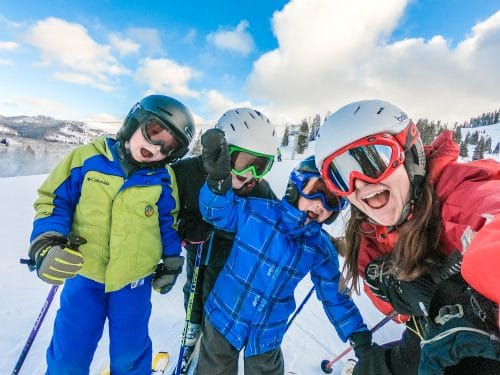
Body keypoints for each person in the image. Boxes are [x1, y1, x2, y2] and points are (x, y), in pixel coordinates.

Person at [314, 99, 500, 375]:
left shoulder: (457, 194)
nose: (359, 182)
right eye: (340, 176)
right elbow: (395, 310)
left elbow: (489, 217)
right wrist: (402, 295)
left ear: (410, 154)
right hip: (428, 338)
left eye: (373, 160)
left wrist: (477, 308)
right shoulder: (368, 232)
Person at [25, 95, 195, 374]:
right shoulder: (88, 159)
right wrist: (47, 242)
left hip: (134, 282)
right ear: (135, 121)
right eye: (154, 132)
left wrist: (171, 260)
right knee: (69, 354)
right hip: (84, 274)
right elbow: (54, 201)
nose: (156, 147)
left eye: (169, 145)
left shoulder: (163, 179)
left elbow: (168, 222)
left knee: (130, 355)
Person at [196, 128, 370, 375]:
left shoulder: (320, 247)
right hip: (225, 315)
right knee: (214, 369)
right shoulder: (256, 212)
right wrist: (217, 185)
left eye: (332, 200)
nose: (321, 203)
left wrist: (358, 334)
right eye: (317, 190)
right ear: (296, 186)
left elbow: (335, 295)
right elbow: (217, 211)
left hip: (268, 331)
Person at [171, 108, 278, 370]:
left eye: (261, 165)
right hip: (199, 248)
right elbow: (163, 209)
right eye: (244, 161)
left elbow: (278, 223)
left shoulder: (259, 189)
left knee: (215, 294)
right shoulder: (187, 172)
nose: (250, 173)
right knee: (194, 287)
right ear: (222, 153)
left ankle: (212, 337)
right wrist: (183, 226)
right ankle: (192, 328)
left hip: (231, 259)